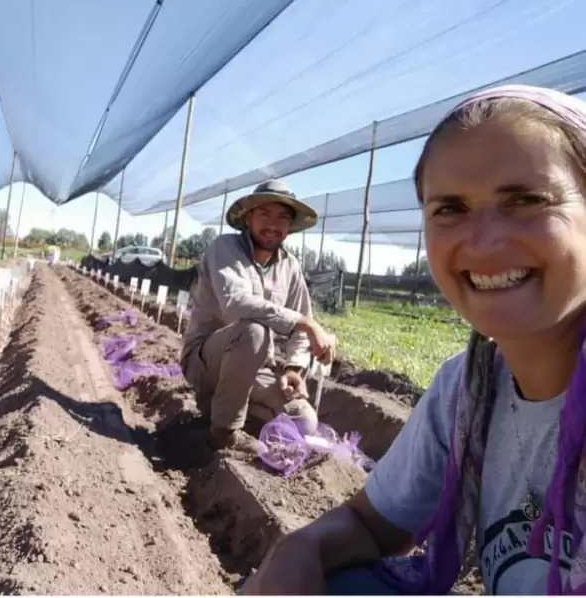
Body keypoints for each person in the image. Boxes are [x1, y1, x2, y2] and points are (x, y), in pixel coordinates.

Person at [242, 85, 586, 595]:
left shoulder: (293, 267)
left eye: (527, 200)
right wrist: (298, 548)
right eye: (450, 209)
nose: (484, 242)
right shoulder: (467, 391)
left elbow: (300, 321)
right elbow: (370, 524)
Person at [182, 179, 338, 452]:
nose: (273, 225)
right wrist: (306, 323)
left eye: (283, 218)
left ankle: (221, 409)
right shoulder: (225, 248)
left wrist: (293, 368)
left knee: (304, 421)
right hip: (206, 361)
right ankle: (224, 432)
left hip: (252, 369)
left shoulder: (290, 266)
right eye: (264, 214)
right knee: (254, 331)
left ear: (290, 226)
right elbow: (236, 304)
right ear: (248, 218)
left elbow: (301, 328)